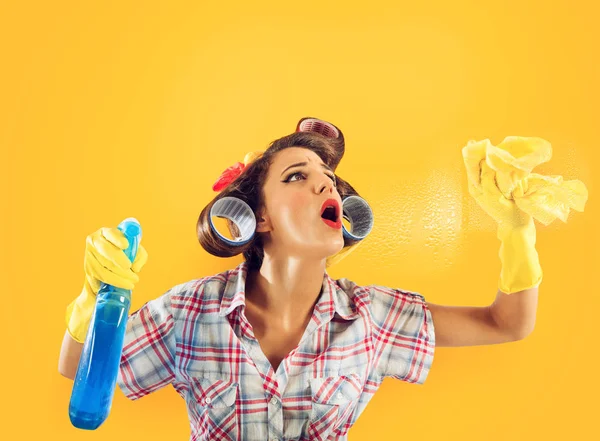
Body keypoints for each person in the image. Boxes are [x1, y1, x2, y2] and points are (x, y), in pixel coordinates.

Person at [59, 117, 550, 441]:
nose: (324, 182)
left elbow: (507, 323)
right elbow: (76, 368)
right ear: (260, 217)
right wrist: (95, 298)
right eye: (297, 175)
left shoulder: (373, 318)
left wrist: (514, 229)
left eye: (328, 177)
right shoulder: (189, 312)